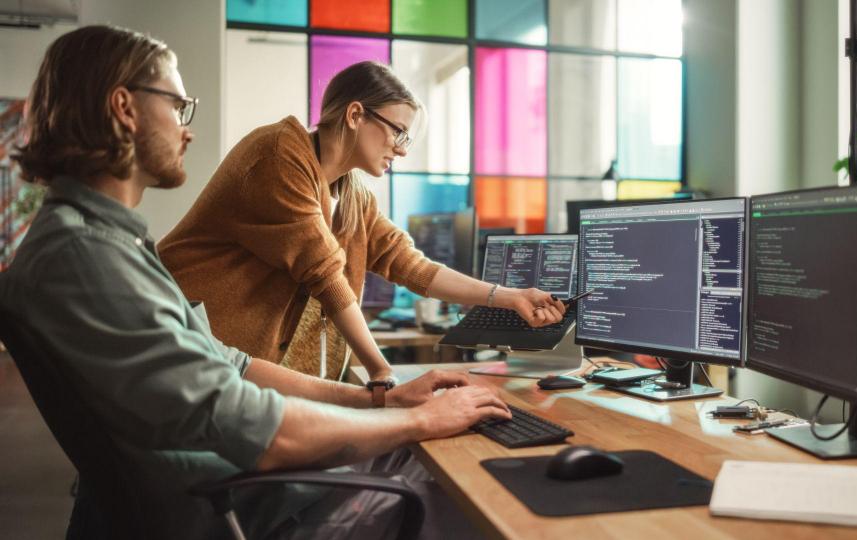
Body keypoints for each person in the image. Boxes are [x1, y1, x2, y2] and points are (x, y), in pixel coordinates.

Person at [4, 24, 510, 539]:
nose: (188, 129)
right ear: (124, 108)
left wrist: (384, 400)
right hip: (225, 500)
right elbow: (245, 419)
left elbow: (233, 365)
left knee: (427, 454)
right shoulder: (85, 258)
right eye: (178, 107)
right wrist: (418, 418)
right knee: (463, 497)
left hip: (231, 480)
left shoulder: (113, 244)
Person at [157, 61, 565, 383]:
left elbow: (411, 265)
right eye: (398, 133)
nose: (401, 151)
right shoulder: (280, 155)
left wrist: (510, 297)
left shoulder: (352, 195)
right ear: (355, 115)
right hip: (185, 351)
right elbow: (325, 274)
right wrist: (382, 372)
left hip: (242, 373)